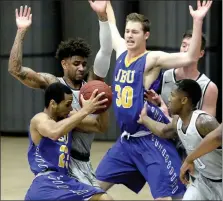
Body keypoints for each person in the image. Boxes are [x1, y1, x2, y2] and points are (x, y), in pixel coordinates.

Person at [90, 0, 212, 200]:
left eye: (135, 32)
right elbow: (110, 24)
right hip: (127, 140)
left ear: (145, 35)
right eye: (127, 31)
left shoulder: (151, 59)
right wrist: (105, 7)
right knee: (92, 189)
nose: (129, 35)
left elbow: (189, 57)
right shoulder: (121, 50)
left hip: (149, 139)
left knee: (166, 197)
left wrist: (197, 21)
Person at [8, 5, 113, 188]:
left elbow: (105, 50)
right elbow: (15, 69)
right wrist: (21, 31)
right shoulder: (52, 84)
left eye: (84, 64)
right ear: (64, 64)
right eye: (76, 63)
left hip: (84, 162)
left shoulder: (92, 88)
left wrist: (102, 17)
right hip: (61, 163)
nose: (81, 68)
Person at [25, 82, 113, 200]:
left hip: (64, 180)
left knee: (103, 198)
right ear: (53, 104)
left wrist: (103, 104)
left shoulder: (68, 117)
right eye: (67, 104)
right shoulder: (39, 119)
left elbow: (100, 126)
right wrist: (85, 110)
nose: (71, 108)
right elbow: (54, 132)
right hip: (46, 182)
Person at [137, 79, 222, 200]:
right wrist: (144, 119)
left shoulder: (204, 122)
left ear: (184, 100)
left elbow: (219, 137)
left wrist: (189, 159)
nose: (169, 99)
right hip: (202, 182)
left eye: (172, 95)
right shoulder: (178, 121)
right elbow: (163, 131)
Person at [144, 30, 218, 118]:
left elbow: (207, 127)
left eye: (191, 47)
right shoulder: (165, 76)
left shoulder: (209, 87)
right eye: (184, 45)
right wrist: (158, 104)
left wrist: (167, 117)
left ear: (201, 54)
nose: (186, 50)